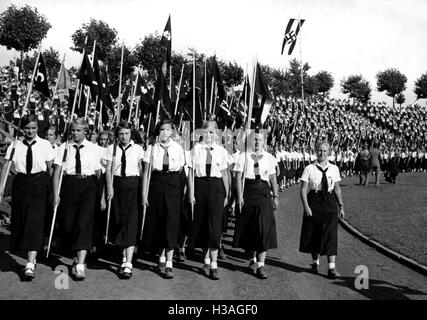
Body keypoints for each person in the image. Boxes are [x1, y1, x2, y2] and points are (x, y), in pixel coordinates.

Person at [0, 114, 55, 280]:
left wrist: (54, 191)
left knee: (35, 221)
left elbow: (51, 169)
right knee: (23, 220)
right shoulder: (15, 145)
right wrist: (1, 188)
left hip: (40, 183)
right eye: (27, 128)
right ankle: (27, 250)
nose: (30, 131)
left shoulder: (45, 145)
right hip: (21, 183)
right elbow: (6, 166)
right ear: (22, 128)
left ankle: (30, 263)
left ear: (37, 128)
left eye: (33, 128)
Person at [52, 118, 104, 281]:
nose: (75, 133)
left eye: (79, 130)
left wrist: (102, 195)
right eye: (73, 130)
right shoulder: (63, 148)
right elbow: (57, 173)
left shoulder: (94, 149)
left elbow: (98, 173)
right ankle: (75, 253)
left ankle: (80, 264)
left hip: (88, 185)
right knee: (69, 224)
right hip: (69, 185)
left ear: (85, 132)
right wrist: (55, 194)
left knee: (84, 223)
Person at [141, 119, 185, 279]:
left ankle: (169, 262)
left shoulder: (178, 148)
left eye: (167, 130)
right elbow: (146, 173)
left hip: (173, 183)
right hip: (156, 183)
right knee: (159, 219)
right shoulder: (152, 148)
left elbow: (180, 168)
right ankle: (160, 257)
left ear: (172, 131)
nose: (164, 133)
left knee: (171, 220)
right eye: (161, 130)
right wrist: (144, 194)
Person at [233, 129, 279, 279]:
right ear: (250, 141)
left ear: (264, 141)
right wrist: (239, 197)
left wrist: (276, 196)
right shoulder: (243, 157)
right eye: (254, 139)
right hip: (248, 192)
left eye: (260, 139)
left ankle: (261, 265)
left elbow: (273, 178)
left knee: (264, 228)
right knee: (250, 227)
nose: (257, 142)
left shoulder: (269, 158)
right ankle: (252, 259)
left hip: (264, 193)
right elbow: (238, 178)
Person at [188, 120, 229, 280]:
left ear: (216, 134)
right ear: (201, 133)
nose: (209, 135)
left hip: (216, 187)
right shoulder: (196, 149)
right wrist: (191, 193)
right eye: (206, 132)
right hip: (200, 186)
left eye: (212, 132)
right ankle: (205, 259)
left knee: (215, 225)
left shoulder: (222, 151)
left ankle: (214, 264)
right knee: (203, 223)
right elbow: (191, 173)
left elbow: (225, 174)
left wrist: (226, 194)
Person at [299, 141, 345, 279]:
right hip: (314, 201)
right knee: (314, 232)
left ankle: (331, 268)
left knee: (331, 233)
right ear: (315, 151)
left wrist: (341, 206)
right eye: (319, 150)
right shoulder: (309, 168)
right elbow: (303, 190)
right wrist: (306, 206)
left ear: (329, 152)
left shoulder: (334, 168)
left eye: (325, 151)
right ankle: (315, 263)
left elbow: (337, 188)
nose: (322, 153)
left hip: (329, 202)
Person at [104, 121, 144, 279]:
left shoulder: (138, 149)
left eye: (126, 133)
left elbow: (141, 169)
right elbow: (108, 169)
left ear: (131, 134)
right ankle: (123, 257)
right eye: (121, 134)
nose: (124, 136)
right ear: (117, 135)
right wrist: (109, 187)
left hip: (132, 185)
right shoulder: (111, 149)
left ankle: (128, 263)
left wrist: (142, 191)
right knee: (119, 221)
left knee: (131, 222)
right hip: (117, 185)